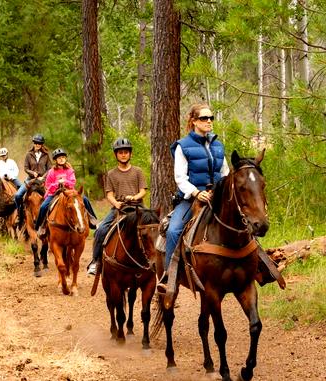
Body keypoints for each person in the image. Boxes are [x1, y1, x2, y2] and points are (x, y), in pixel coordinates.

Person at [156, 103, 230, 293]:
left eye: (211, 118)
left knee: (244, 219)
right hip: (191, 199)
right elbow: (180, 178)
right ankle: (169, 276)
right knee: (173, 230)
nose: (209, 122)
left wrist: (219, 191)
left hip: (217, 197)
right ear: (194, 121)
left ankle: (257, 265)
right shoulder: (183, 146)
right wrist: (197, 193)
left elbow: (225, 172)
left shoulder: (218, 145)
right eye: (204, 118)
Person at [87, 138, 147, 275]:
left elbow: (143, 190)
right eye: (120, 152)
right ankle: (95, 261)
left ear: (130, 154)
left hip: (137, 206)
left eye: (126, 152)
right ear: (116, 155)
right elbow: (109, 194)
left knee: (154, 227)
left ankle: (158, 262)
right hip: (119, 208)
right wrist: (116, 203)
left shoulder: (138, 171)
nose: (123, 155)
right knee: (101, 230)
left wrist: (134, 197)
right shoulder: (111, 174)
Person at [34, 148, 98, 238]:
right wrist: (58, 184)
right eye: (59, 158)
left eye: (63, 157)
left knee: (85, 200)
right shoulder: (51, 172)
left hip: (70, 192)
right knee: (44, 206)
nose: (61, 159)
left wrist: (65, 182)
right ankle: (40, 226)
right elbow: (48, 185)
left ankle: (92, 219)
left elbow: (72, 182)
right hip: (55, 193)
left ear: (65, 159)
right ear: (55, 160)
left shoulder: (69, 170)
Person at [14, 134, 51, 227]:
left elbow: (49, 169)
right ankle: (20, 214)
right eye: (36, 143)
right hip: (30, 179)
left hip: (42, 180)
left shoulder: (46, 155)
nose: (37, 145)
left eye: (39, 143)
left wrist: (44, 177)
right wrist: (32, 173)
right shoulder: (28, 154)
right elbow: (26, 168)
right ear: (33, 143)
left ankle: (50, 216)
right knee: (18, 195)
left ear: (42, 144)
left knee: (50, 197)